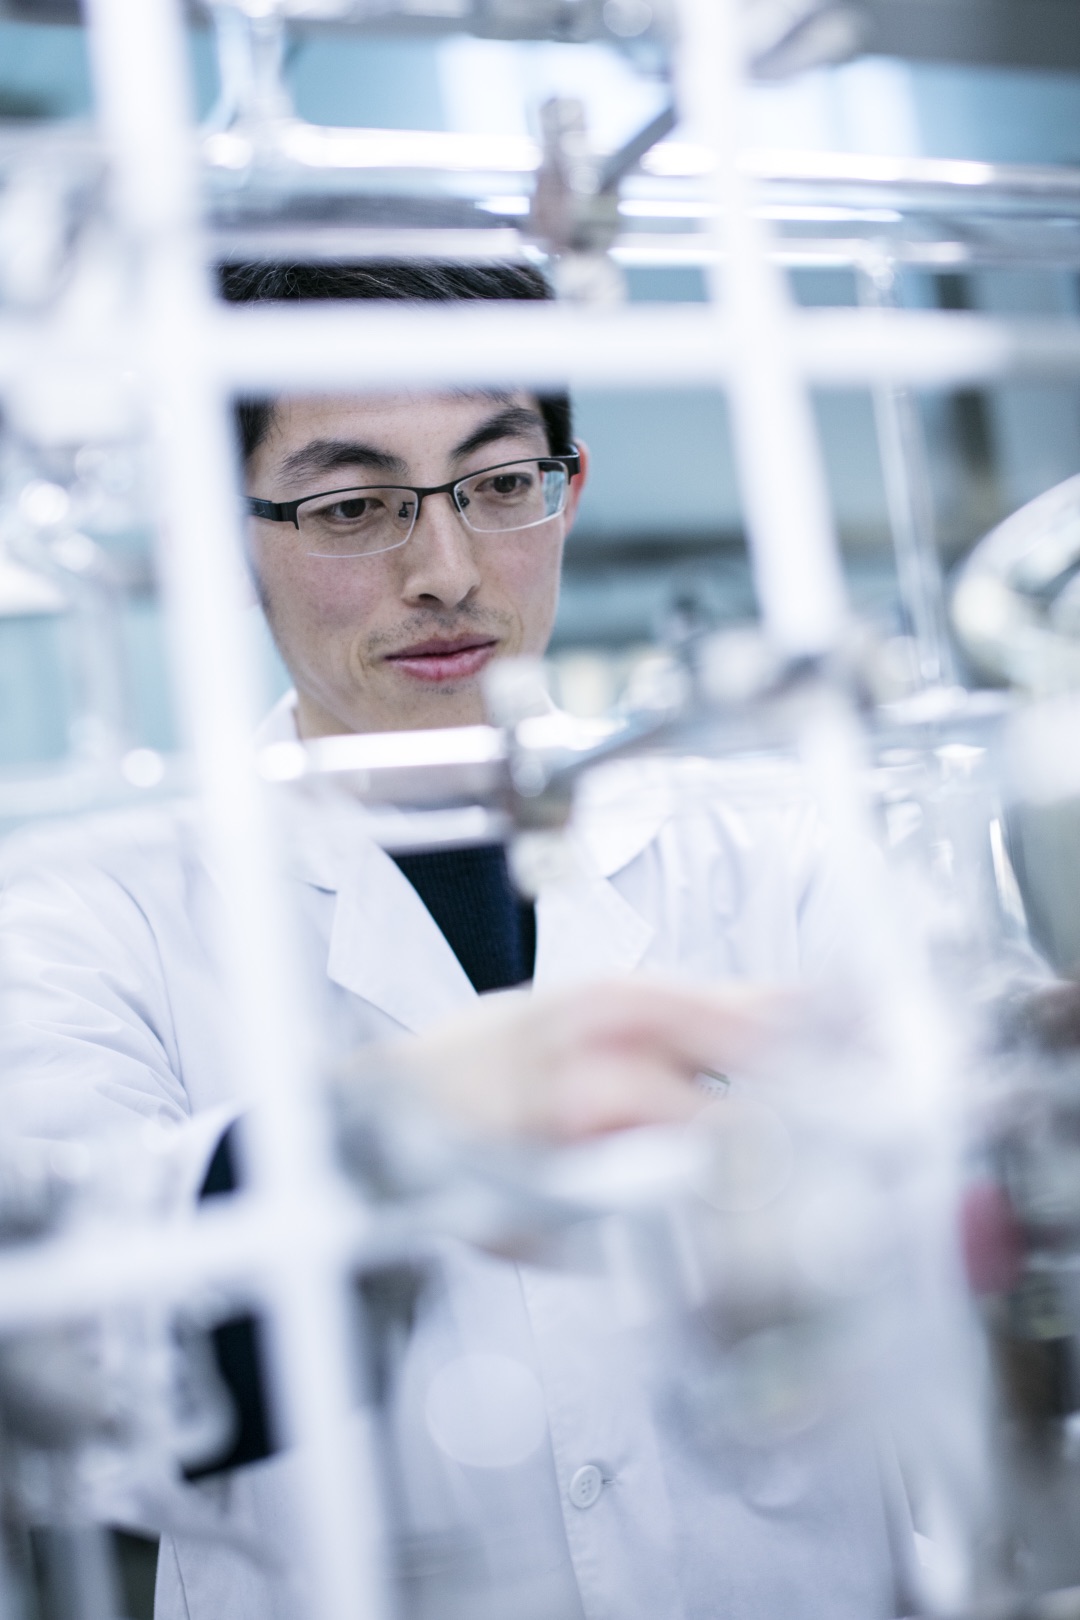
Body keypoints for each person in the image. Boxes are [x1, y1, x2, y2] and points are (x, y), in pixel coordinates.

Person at [0, 261, 904, 1620]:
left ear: (568, 490)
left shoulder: (781, 842)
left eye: (499, 483)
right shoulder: (87, 908)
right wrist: (400, 1136)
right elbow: (68, 1358)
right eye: (352, 507)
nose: (448, 572)